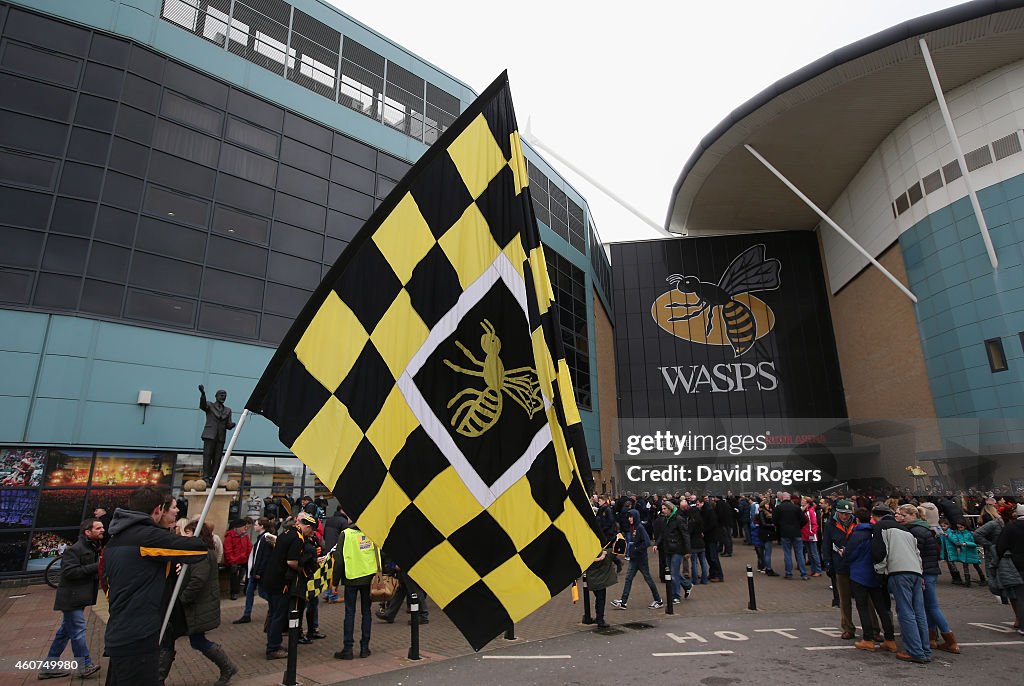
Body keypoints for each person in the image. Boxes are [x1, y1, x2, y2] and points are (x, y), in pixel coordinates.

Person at [102, 486, 208, 684]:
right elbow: (198, 550)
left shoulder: (117, 538)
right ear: (158, 509)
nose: (176, 511)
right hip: (138, 633)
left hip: (121, 628)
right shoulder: (146, 537)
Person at [159, 521, 238, 686]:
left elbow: (197, 579)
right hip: (188, 605)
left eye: (188, 533)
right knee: (177, 639)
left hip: (193, 605)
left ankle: (228, 667)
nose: (184, 536)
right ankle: (158, 678)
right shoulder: (194, 551)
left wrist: (183, 598)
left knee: (190, 640)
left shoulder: (201, 553)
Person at [38, 518, 105, 680]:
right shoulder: (75, 549)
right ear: (87, 532)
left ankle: (49, 666)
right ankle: (85, 665)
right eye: (98, 528)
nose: (102, 529)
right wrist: (97, 566)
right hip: (71, 598)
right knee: (78, 631)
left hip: (78, 597)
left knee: (65, 632)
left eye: (102, 527)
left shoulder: (93, 547)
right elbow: (70, 572)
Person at [872, 501, 931, 663]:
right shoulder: (907, 530)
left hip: (899, 572)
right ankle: (925, 649)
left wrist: (879, 570)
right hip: (916, 573)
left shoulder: (881, 527)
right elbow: (917, 553)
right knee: (919, 612)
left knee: (905, 612)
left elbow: (880, 552)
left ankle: (915, 651)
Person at [902, 504, 959, 654]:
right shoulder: (926, 528)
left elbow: (915, 551)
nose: (901, 518)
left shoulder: (917, 531)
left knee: (932, 606)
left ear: (914, 515)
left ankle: (950, 640)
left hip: (925, 571)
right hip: (930, 569)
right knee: (928, 606)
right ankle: (931, 638)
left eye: (904, 515)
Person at [262, 513, 316, 659]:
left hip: (270, 579)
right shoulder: (297, 538)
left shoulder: (286, 533)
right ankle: (273, 647)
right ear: (307, 527)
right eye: (311, 531)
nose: (311, 534)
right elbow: (291, 562)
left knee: (273, 613)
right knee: (279, 615)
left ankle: (273, 643)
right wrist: (303, 570)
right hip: (281, 582)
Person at [844, 508, 896, 653]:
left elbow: (850, 555)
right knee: (881, 608)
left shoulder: (857, 535)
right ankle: (890, 639)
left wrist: (844, 553)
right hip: (876, 573)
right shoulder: (876, 532)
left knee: (863, 607)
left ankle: (868, 639)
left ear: (857, 519)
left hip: (859, 574)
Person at [333, 522, 378, 659]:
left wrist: (335, 581)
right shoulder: (372, 533)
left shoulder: (346, 534)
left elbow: (339, 560)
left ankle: (348, 649)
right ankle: (365, 648)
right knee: (366, 612)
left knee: (350, 613)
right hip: (368, 578)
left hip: (351, 578)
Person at [821, 499, 864, 638]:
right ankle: (848, 627)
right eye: (842, 514)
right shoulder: (831, 524)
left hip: (857, 564)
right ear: (837, 513)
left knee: (864, 598)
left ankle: (873, 628)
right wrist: (828, 563)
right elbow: (826, 544)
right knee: (844, 599)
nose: (845, 516)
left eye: (847, 514)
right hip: (840, 564)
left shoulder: (856, 523)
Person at [611, 509, 663, 609]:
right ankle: (623, 601)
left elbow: (647, 542)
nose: (629, 519)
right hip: (634, 558)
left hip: (641, 559)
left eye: (631, 517)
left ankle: (658, 600)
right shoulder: (632, 527)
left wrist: (636, 548)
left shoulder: (639, 528)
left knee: (648, 579)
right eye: (629, 517)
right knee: (628, 579)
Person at [653, 500, 692, 604]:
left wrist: (687, 550)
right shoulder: (665, 520)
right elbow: (662, 534)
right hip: (668, 548)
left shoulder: (678, 520)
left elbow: (685, 535)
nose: (663, 511)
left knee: (673, 574)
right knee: (672, 572)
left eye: (664, 509)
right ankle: (687, 585)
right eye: (662, 509)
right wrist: (657, 544)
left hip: (677, 549)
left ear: (670, 509)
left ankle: (676, 595)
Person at [235, 517, 273, 624]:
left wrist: (259, 572)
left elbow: (265, 556)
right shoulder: (261, 537)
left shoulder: (266, 538)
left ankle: (275, 604)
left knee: (262, 592)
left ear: (261, 526)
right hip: (255, 570)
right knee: (250, 591)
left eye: (256, 524)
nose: (254, 526)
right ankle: (247, 614)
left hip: (258, 571)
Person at [995, 502, 1024, 636]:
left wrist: (1004, 556)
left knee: (1021, 596)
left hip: (1018, 564)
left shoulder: (1011, 527)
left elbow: (1000, 546)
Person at [198, 384, 235, 484]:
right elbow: (202, 405)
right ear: (216, 396)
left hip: (220, 437)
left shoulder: (228, 410)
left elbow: (228, 424)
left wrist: (232, 425)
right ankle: (206, 477)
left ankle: (214, 477)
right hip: (210, 435)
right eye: (221, 395)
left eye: (225, 395)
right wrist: (203, 393)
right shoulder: (209, 405)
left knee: (217, 458)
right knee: (207, 456)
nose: (223, 397)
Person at [775, 493, 808, 580]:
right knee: (800, 553)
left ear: (782, 498)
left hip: (785, 533)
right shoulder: (796, 508)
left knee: (787, 553)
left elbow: (774, 521)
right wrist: (798, 527)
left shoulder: (778, 508)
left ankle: (789, 573)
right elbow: (804, 520)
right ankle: (804, 573)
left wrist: (781, 527)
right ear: (789, 498)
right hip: (796, 532)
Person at [585, 547, 617, 629]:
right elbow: (614, 552)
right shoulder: (605, 555)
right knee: (601, 600)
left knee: (598, 599)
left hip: (592, 580)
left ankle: (598, 617)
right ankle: (600, 620)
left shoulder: (589, 556)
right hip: (601, 581)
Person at [223, 519, 252, 601]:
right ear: (237, 528)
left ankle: (247, 589)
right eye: (243, 528)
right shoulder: (229, 537)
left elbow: (249, 547)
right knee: (235, 575)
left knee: (250, 573)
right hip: (234, 561)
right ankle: (234, 592)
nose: (245, 530)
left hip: (244, 560)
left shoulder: (245, 536)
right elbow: (228, 551)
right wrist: (233, 562)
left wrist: (250, 558)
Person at [801, 495, 822, 576]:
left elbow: (814, 523)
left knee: (814, 553)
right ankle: (814, 570)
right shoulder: (804, 510)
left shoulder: (810, 511)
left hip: (811, 534)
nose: (802, 502)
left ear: (807, 502)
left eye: (803, 501)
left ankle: (818, 570)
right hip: (805, 534)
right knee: (810, 553)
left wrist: (812, 532)